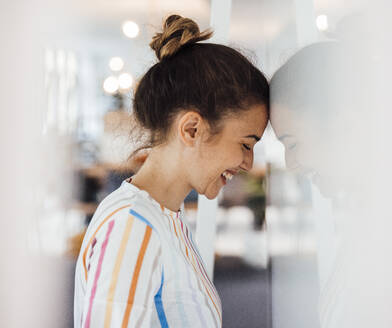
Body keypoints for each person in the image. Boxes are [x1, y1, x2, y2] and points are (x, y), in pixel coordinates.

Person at [74, 14, 269, 328]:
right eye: (246, 143)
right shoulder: (133, 226)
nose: (248, 163)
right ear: (192, 129)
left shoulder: (160, 218)